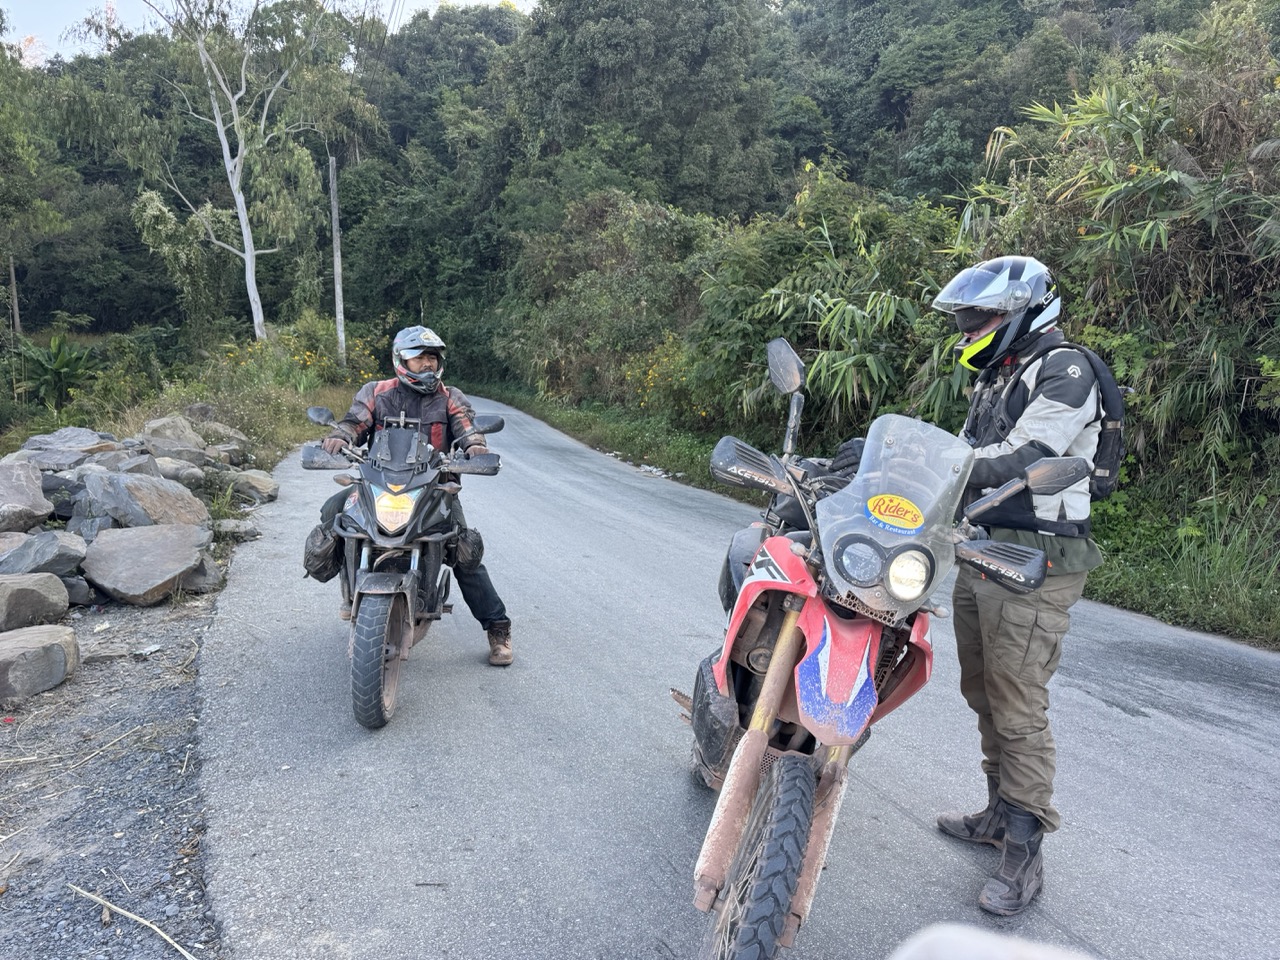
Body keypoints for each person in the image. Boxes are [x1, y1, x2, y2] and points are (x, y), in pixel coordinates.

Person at [930, 256, 1106, 916]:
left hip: (1039, 555)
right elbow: (965, 450)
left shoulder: (1066, 370)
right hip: (982, 549)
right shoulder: (1004, 374)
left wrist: (944, 466)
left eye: (981, 315)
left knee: (1017, 696)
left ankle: (1025, 851)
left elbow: (1027, 457)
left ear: (1021, 312)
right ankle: (999, 813)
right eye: (969, 316)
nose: (972, 326)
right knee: (983, 687)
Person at [317, 325, 514, 667]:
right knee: (333, 515)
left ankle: (497, 627)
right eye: (418, 357)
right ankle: (347, 582)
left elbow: (466, 428)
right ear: (401, 360)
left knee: (464, 550)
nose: (426, 364)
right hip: (378, 484)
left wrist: (475, 446)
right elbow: (354, 421)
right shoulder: (377, 392)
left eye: (431, 357)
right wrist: (341, 435)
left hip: (434, 489)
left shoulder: (450, 397)